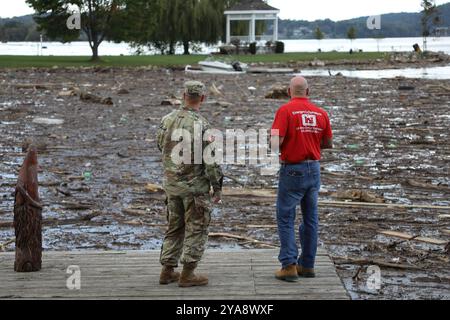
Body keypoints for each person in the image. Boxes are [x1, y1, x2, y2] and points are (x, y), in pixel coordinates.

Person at [157, 81, 223, 287]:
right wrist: (217, 186)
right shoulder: (202, 125)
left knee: (174, 228)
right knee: (196, 229)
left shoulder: (166, 120)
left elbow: (161, 145)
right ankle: (187, 274)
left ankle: (167, 271)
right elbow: (211, 161)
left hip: (172, 185)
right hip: (195, 189)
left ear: (183, 95)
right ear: (202, 98)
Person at [271, 76, 333, 282]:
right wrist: (309, 141)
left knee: (286, 217)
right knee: (310, 218)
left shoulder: (285, 111)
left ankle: (289, 265)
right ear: (308, 91)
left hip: (293, 169)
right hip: (313, 168)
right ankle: (307, 264)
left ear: (289, 91)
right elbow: (327, 143)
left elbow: (275, 142)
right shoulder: (321, 113)